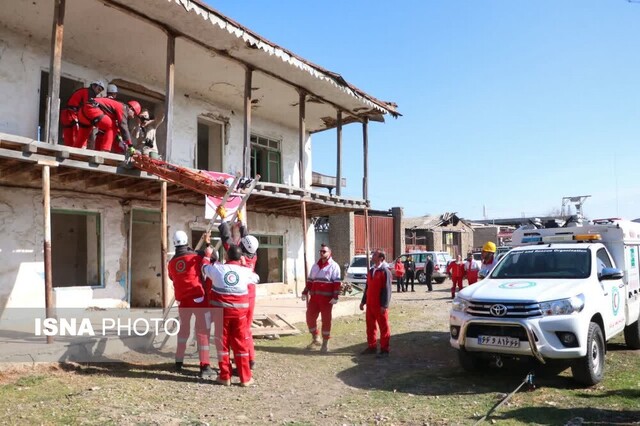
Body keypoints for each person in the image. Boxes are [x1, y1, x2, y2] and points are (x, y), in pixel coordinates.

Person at [202, 244, 258, 386]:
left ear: (226, 256)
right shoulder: (245, 272)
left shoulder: (218, 269)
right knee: (240, 345)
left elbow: (204, 267)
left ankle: (225, 376)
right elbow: (256, 278)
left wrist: (207, 255)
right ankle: (245, 378)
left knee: (222, 345)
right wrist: (245, 265)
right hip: (240, 315)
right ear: (240, 258)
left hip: (221, 314)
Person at [167, 230, 214, 379]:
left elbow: (172, 277)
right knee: (203, 331)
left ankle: (179, 361)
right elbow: (213, 258)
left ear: (174, 242)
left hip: (183, 301)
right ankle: (205, 366)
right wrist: (208, 242)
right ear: (187, 240)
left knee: (183, 331)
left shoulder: (171, 263)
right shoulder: (196, 257)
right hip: (198, 298)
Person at [217, 206, 259, 369]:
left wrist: (223, 220)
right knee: (246, 328)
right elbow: (247, 239)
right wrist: (241, 224)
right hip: (250, 293)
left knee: (235, 329)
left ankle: (240, 360)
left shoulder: (236, 254)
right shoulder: (253, 255)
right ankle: (250, 359)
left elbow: (226, 238)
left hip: (238, 293)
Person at [301, 244, 341, 353]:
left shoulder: (334, 266)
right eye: (320, 251)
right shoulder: (315, 266)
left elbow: (337, 283)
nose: (321, 253)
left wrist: (335, 296)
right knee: (309, 317)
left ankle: (325, 343)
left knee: (326, 320)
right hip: (314, 298)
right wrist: (305, 292)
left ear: (329, 253)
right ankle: (315, 337)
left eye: (324, 251)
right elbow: (310, 281)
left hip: (327, 300)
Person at [360, 250, 392, 358]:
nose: (372, 256)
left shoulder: (385, 271)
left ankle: (384, 349)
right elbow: (367, 287)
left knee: (384, 327)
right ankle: (372, 346)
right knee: (370, 326)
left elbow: (387, 290)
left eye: (374, 255)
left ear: (381, 258)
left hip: (380, 305)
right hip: (370, 304)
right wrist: (363, 301)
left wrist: (384, 305)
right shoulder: (371, 270)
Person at [76, 98, 141, 152]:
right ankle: (105, 151)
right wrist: (130, 145)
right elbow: (123, 126)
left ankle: (74, 153)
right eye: (134, 114)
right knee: (112, 127)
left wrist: (119, 137)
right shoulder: (123, 108)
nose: (132, 117)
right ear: (131, 109)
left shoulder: (113, 107)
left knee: (81, 139)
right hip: (91, 109)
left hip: (83, 112)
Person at [60, 80, 105, 147]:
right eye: (98, 89)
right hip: (72, 114)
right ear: (93, 86)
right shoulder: (89, 92)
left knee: (69, 139)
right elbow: (88, 108)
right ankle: (79, 153)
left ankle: (70, 153)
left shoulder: (84, 91)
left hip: (66, 114)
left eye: (100, 91)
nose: (98, 92)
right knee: (80, 136)